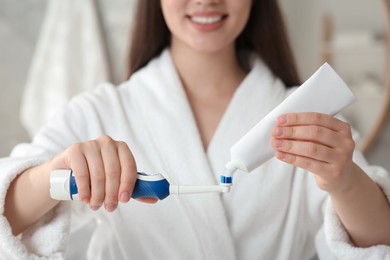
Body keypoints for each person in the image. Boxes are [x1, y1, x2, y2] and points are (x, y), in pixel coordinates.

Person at [1, 0, 390, 259]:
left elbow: (381, 243)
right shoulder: (101, 112)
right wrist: (57, 172)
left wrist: (345, 181)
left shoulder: (306, 119)